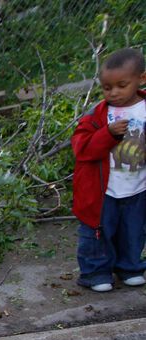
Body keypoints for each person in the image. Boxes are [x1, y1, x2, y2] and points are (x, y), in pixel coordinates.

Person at [71, 47, 146, 292]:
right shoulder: (98, 114)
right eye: (106, 88)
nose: (113, 93)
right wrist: (107, 134)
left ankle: (130, 267)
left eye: (121, 85)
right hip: (104, 191)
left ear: (141, 79)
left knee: (133, 231)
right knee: (98, 234)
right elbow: (81, 148)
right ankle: (96, 273)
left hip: (138, 187)